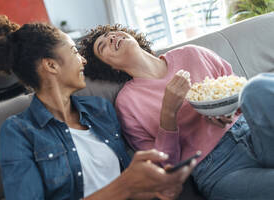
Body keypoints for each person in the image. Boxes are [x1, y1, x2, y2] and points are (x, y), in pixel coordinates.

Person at [0, 15, 197, 200]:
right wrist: (125, 186)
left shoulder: (100, 110)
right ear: (51, 65)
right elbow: (124, 186)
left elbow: (130, 183)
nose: (83, 60)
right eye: (74, 52)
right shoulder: (19, 132)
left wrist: (156, 187)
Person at [79, 24, 274, 199]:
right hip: (217, 168)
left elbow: (238, 90)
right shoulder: (127, 104)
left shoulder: (193, 54)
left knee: (256, 87)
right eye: (102, 45)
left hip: (254, 133)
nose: (111, 38)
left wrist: (230, 110)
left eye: (111, 33)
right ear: (109, 67)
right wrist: (168, 114)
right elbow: (165, 168)